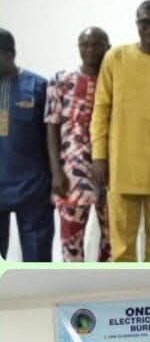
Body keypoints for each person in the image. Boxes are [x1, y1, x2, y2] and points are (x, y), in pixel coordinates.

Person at [90, 0, 150, 261]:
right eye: (146, 23)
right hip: (121, 166)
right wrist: (99, 156)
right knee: (121, 246)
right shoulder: (115, 57)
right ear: (137, 24)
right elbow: (101, 110)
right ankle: (125, 287)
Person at [45, 27, 111, 261]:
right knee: (71, 241)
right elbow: (51, 126)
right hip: (71, 173)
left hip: (110, 172)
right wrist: (56, 172)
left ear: (108, 47)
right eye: (85, 44)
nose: (90, 50)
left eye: (96, 44)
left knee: (113, 241)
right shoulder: (61, 80)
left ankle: (107, 284)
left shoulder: (114, 83)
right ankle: (74, 282)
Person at [0, 28, 53, 261]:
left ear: (9, 54)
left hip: (33, 187)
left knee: (37, 257)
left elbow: (52, 137)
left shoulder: (38, 86)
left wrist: (54, 179)